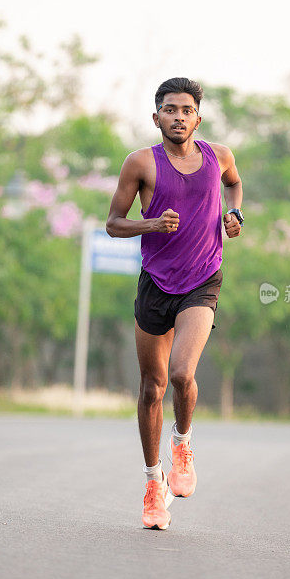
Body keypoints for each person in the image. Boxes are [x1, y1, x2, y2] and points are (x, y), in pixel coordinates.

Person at [106, 77, 243, 529]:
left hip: (202, 280)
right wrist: (150, 225)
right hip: (155, 284)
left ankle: (182, 445)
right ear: (156, 117)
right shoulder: (141, 163)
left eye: (186, 110)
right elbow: (113, 223)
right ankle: (152, 482)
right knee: (152, 387)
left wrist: (235, 213)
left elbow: (234, 186)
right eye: (170, 109)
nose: (178, 116)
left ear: (198, 117)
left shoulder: (218, 156)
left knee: (183, 373)